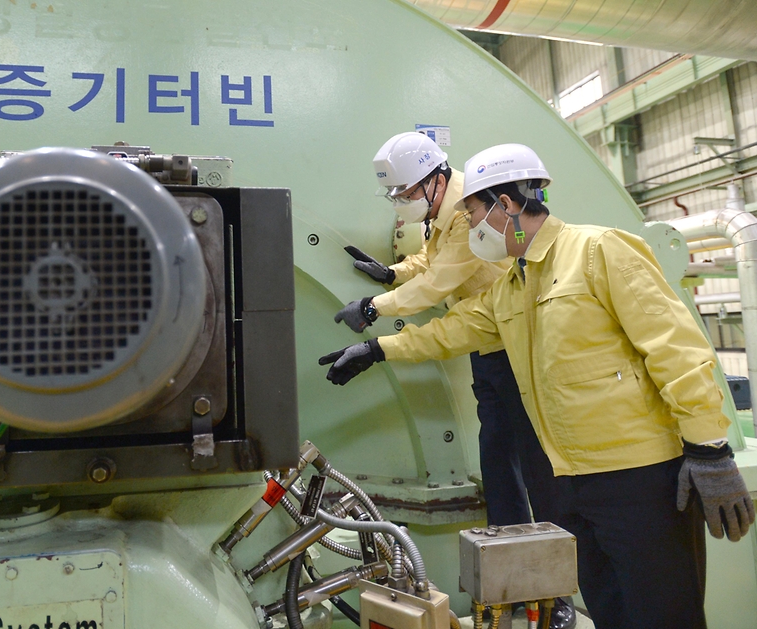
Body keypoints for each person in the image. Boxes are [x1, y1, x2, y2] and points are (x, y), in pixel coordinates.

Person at [320, 143, 755, 629]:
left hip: (638, 479)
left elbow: (677, 351)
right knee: (610, 609)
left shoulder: (598, 250)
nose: (471, 225)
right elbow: (453, 329)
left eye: (474, 212)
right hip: (566, 485)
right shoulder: (511, 285)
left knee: (663, 615)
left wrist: (710, 451)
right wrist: (378, 349)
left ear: (506, 206)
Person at [337, 132, 576, 627]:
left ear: (434, 179)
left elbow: (440, 282)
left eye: (404, 194)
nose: (401, 204)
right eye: (396, 197)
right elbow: (432, 263)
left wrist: (373, 309)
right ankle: (513, 585)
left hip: (517, 350)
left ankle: (557, 596)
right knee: (501, 471)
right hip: (488, 347)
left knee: (538, 471)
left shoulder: (477, 213)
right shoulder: (449, 213)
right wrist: (392, 272)